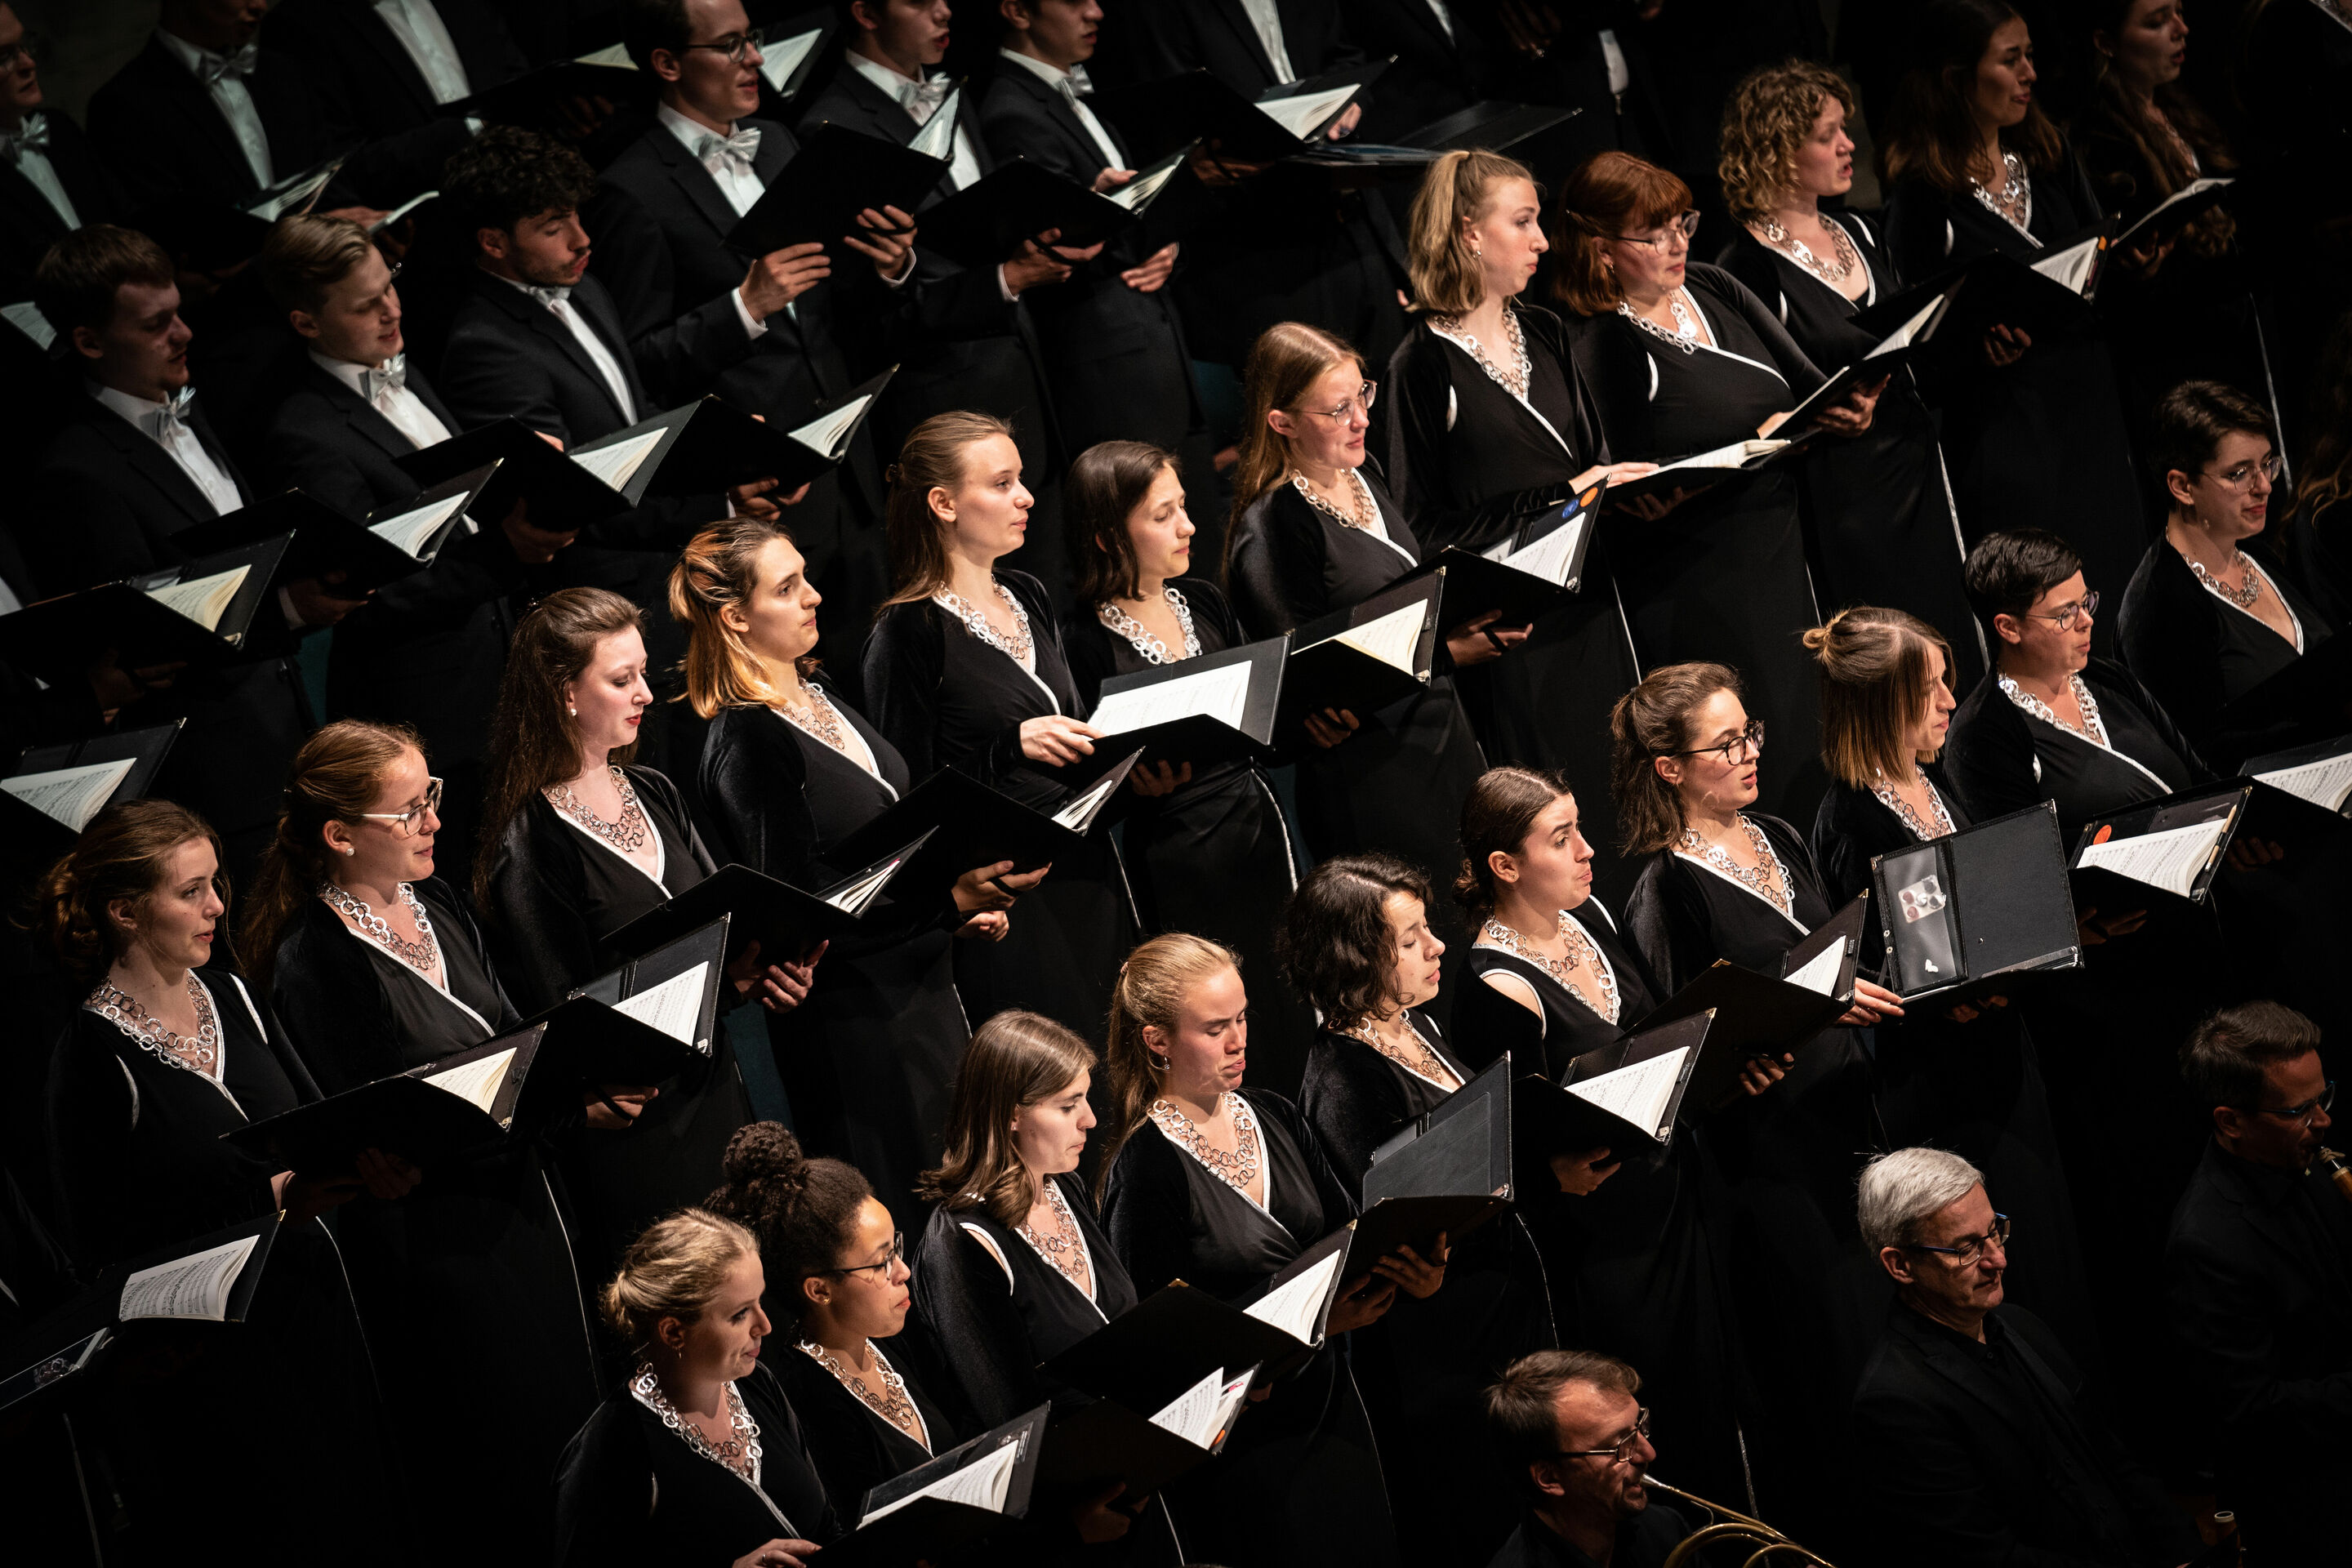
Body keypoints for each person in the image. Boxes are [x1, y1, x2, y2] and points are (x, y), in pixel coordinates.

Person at [239, 719, 602, 1568]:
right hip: (440, 1244)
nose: (434, 819)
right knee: (507, 1457)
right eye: (408, 809)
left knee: (574, 1427)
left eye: (430, 796)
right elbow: (377, 1120)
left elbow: (510, 1031)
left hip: (520, 1206)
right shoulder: (314, 957)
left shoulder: (437, 904)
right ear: (340, 835)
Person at [38, 797, 412, 1563]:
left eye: (216, 884)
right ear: (125, 912)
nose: (216, 907)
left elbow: (317, 1122)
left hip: (319, 1308)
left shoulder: (233, 996)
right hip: (221, 1365)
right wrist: (263, 1205)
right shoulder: (92, 1059)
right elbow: (102, 1257)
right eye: (190, 892)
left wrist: (370, 1162)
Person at [1612, 660, 1902, 1539]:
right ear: (1670, 767)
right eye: (1726, 743)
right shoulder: (1667, 886)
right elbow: (1678, 1052)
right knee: (1828, 1361)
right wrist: (1744, 1061)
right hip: (1769, 1157)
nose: (1749, 754)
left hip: (1846, 1117)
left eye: (1751, 734)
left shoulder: (1776, 833)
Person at [676, 515, 1029, 1218]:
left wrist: (950, 912)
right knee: (913, 1218)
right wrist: (946, 904)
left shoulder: (820, 694)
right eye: (786, 588)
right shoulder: (746, 736)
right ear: (736, 617)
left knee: (972, 1200)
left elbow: (882, 860)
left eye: (805, 578)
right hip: (857, 1028)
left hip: (920, 993)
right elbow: (807, 910)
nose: (813, 596)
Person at [1452, 765, 1771, 1517]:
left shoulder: (1590, 915)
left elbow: (1662, 1036)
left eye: (1580, 830)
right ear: (1505, 866)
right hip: (1609, 1246)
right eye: (1562, 838)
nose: (1587, 850)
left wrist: (1731, 1067)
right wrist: (1550, 1171)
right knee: (1665, 1420)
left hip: (1678, 1197)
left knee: (1725, 1399)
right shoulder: (1498, 986)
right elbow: (1500, 1147)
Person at [477, 586, 807, 1277]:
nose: (646, 695)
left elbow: (726, 919)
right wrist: (726, 986)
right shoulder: (533, 838)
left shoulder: (653, 789)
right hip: (641, 1120)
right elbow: (569, 1008)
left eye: (643, 674)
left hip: (714, 1089)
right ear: (565, 693)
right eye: (621, 679)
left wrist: (767, 966)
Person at [27, 224, 366, 883]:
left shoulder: (186, 404)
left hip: (284, 728)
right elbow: (155, 639)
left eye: (179, 312)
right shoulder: (75, 473)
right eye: (155, 325)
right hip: (217, 769)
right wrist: (290, 609)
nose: (183, 333)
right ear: (89, 342)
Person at [1553, 150, 1882, 826]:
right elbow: (1624, 472)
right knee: (1747, 757)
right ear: (1600, 250)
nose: (1677, 244)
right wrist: (1748, 441)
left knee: (1809, 736)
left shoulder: (1713, 285)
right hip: (1696, 579)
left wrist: (1839, 409)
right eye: (1654, 235)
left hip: (1779, 553)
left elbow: (1803, 385)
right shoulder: (1599, 339)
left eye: (1682, 223)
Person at [1802, 607, 2096, 1353]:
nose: (1948, 703)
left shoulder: (1932, 782)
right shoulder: (1849, 818)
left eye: (1946, 682)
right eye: (1928, 689)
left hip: (2001, 1052)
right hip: (1941, 1083)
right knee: (1999, 1268)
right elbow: (1869, 965)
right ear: (1882, 705)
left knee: (2049, 1248)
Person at [256, 212, 577, 882]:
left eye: (390, 284)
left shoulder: (403, 366)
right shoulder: (303, 435)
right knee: (472, 890)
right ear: (306, 322)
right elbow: (374, 595)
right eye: (364, 304)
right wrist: (506, 552)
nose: (391, 309)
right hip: (430, 713)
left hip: (493, 675)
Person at [596, 0, 926, 648]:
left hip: (851, 467)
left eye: (752, 39)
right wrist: (745, 307)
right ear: (667, 63)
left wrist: (891, 265)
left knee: (884, 656)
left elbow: (834, 299)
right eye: (729, 45)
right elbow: (640, 363)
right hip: (762, 490)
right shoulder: (630, 189)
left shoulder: (777, 140)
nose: (755, 59)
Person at [1099, 932, 1434, 1568]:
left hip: (1336, 1405)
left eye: (1243, 1018)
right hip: (1250, 1447)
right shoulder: (1145, 1168)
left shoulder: (1274, 1113)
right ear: (1157, 1040)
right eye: (1215, 1028)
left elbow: (1347, 1234)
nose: (1238, 1041)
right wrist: (1313, 1325)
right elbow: (1161, 1349)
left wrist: (1409, 1269)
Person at [1382, 148, 1656, 864]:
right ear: (1470, 233)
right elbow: (1423, 530)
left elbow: (1594, 465)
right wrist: (1561, 498)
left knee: (1629, 807)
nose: (1542, 241)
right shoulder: (1421, 364)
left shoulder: (1546, 329)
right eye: (1524, 221)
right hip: (1517, 639)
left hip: (1594, 609)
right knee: (1562, 832)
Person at [1222, 320, 1501, 1013]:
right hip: (1376, 776)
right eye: (1337, 409)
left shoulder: (1363, 475)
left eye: (1363, 397)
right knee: (1421, 962)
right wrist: (1445, 651)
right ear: (1282, 422)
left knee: (1479, 935)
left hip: (1440, 742)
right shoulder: (1273, 525)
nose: (1361, 419)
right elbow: (1305, 675)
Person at [1281, 851, 1548, 1568]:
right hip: (1439, 1351)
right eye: (1409, 940)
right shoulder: (1341, 1075)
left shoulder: (1415, 1026)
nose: (1436, 948)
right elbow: (1390, 1221)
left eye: (1427, 929)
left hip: (1491, 1311)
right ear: (1355, 959)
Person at [1714, 62, 1983, 691]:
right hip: (1843, 491)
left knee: (1947, 637)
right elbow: (1761, 398)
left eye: (1845, 129)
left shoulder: (1860, 228)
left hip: (1916, 460)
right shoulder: (1746, 266)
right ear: (1778, 151)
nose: (1848, 146)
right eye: (1826, 135)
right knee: (1887, 663)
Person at [861, 411, 1129, 1038]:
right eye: (1002, 484)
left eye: (1021, 479)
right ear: (943, 503)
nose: (1026, 497)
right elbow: (909, 799)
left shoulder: (1027, 591)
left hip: (1085, 868)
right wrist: (1009, 746)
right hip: (1007, 899)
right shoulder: (907, 632)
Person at [1878, 0, 2150, 620]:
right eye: (2010, 59)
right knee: (2044, 596)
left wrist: (2129, 259)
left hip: (2085, 406)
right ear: (1957, 78)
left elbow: (2094, 259)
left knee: (2112, 574)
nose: (2030, 73)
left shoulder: (2050, 160)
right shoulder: (1924, 194)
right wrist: (1974, 349)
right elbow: (1914, 333)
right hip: (2007, 425)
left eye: (2030, 55)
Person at [793, 0, 1076, 596]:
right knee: (966, 601)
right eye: (920, 1)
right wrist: (1004, 280)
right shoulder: (832, 125)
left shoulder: (952, 91)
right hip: (943, 405)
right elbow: (865, 313)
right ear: (866, 12)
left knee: (1044, 592)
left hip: (1021, 382)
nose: (945, 10)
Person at [1058, 439, 1307, 1083]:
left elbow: (1259, 701)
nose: (1188, 526)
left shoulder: (1201, 599)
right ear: (1109, 536)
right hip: (1173, 852)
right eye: (1163, 515)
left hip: (1253, 826)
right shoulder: (1080, 641)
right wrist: (1132, 786)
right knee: (1210, 1022)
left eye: (1184, 507)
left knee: (1285, 998)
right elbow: (1087, 771)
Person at [1850, 1147, 2199, 1567]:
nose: (1998, 1259)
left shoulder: (2022, 1324)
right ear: (1901, 1265)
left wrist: (2183, 1549)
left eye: (1993, 1231)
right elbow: (1988, 1558)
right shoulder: (1896, 1402)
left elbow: (2111, 1460)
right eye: (1966, 1248)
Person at [980, 0, 1218, 541]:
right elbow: (1051, 249)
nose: (1096, 12)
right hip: (1109, 375)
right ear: (1017, 11)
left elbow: (1135, 218)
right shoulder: (1011, 111)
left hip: (1154, 355)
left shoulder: (1073, 94)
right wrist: (1118, 223)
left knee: (1194, 545)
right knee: (1140, 552)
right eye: (1074, 0)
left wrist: (1166, 247)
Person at [1114, 0, 1410, 371]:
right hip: (1256, 252)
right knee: (1303, 394)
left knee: (1384, 383)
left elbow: (1344, 56)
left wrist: (1352, 100)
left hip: (1351, 227)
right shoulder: (1165, 12)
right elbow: (1168, 116)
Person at [2167, 1001, 2352, 1566]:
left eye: (2323, 1098)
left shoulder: (2307, 1162)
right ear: (2231, 1121)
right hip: (2312, 1497)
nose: (2323, 1122)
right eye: (2299, 1110)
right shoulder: (2207, 1244)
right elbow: (2253, 1411)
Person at [552, 1209, 833, 1567]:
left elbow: (826, 1526)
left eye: (759, 1302)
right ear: (673, 1332)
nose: (765, 1325)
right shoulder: (613, 1446)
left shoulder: (757, 1383)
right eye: (740, 1314)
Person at [704, 1122, 955, 1520]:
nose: (903, 1271)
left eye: (897, 1248)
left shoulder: (890, 1335)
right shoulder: (807, 1395)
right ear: (820, 1290)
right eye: (882, 1261)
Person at [910, 1009, 1140, 1430]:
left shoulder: (1062, 1185)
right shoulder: (963, 1241)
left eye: (1085, 1099)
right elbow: (1010, 1413)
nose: (1090, 1119)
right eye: (1068, 1106)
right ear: (1010, 1115)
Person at [2122, 380, 2337, 768]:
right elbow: (2203, 754)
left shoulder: (2256, 553)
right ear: (2182, 486)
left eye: (2267, 464)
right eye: (2239, 473)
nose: (2264, 486)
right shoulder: (2159, 602)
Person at [1944, 528, 2207, 831]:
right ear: (2009, 628)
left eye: (2085, 603)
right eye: (2065, 614)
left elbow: (2200, 778)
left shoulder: (2110, 679)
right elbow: (2034, 856)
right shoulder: (1982, 735)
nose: (2087, 621)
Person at [2073, 0, 2259, 415]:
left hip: (2234, 338)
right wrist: (2144, 271)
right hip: (2180, 363)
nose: (2181, 29)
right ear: (2106, 43)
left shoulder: (2181, 110)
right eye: (2158, 21)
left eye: (2179, 12)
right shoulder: (2102, 143)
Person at [1481, 1350, 1692, 1568]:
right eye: (1620, 1445)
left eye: (1639, 1426)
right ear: (1549, 1477)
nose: (1649, 1453)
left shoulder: (1666, 1529)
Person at [0, 1, 125, 299]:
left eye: (25, 45)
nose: (28, 63)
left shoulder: (59, 128)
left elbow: (124, 222)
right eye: (4, 57)